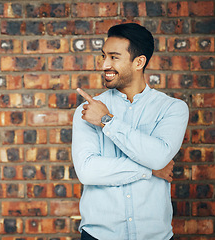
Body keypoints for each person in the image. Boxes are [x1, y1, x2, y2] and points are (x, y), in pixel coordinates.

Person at [72, 23, 189, 240]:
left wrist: (107, 121)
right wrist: (150, 171)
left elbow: (159, 156)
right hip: (98, 236)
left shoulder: (172, 109)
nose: (105, 64)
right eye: (104, 56)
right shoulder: (87, 110)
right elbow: (87, 171)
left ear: (139, 62)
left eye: (114, 57)